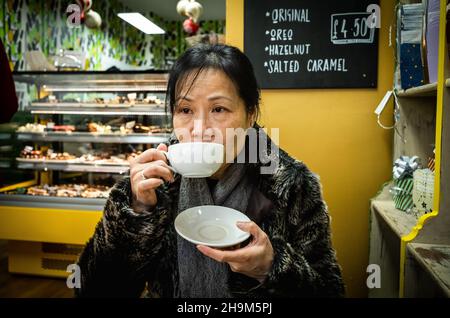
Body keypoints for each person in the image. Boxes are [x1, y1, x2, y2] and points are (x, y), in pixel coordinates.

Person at [75, 44, 345, 298]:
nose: (200, 128)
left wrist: (273, 267)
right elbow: (93, 292)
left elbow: (329, 291)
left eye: (218, 109)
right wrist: (138, 214)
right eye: (185, 109)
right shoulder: (153, 182)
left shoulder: (291, 184)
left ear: (250, 115)